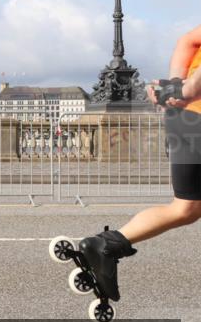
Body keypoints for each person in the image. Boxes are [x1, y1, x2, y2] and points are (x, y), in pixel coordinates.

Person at [80, 24, 201, 300]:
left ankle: (107, 245)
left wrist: (174, 86)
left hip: (184, 119)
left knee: (186, 208)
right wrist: (188, 89)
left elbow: (189, 40)